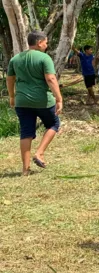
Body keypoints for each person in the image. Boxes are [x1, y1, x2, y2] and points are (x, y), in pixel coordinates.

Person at [6, 31, 63, 175]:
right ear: (39, 42)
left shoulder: (15, 59)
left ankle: (25, 170)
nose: (46, 45)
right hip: (42, 101)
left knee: (26, 132)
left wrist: (12, 96)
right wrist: (59, 99)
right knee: (54, 124)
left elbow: (10, 79)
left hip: (22, 101)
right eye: (46, 42)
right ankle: (40, 153)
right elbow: (50, 79)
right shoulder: (44, 58)